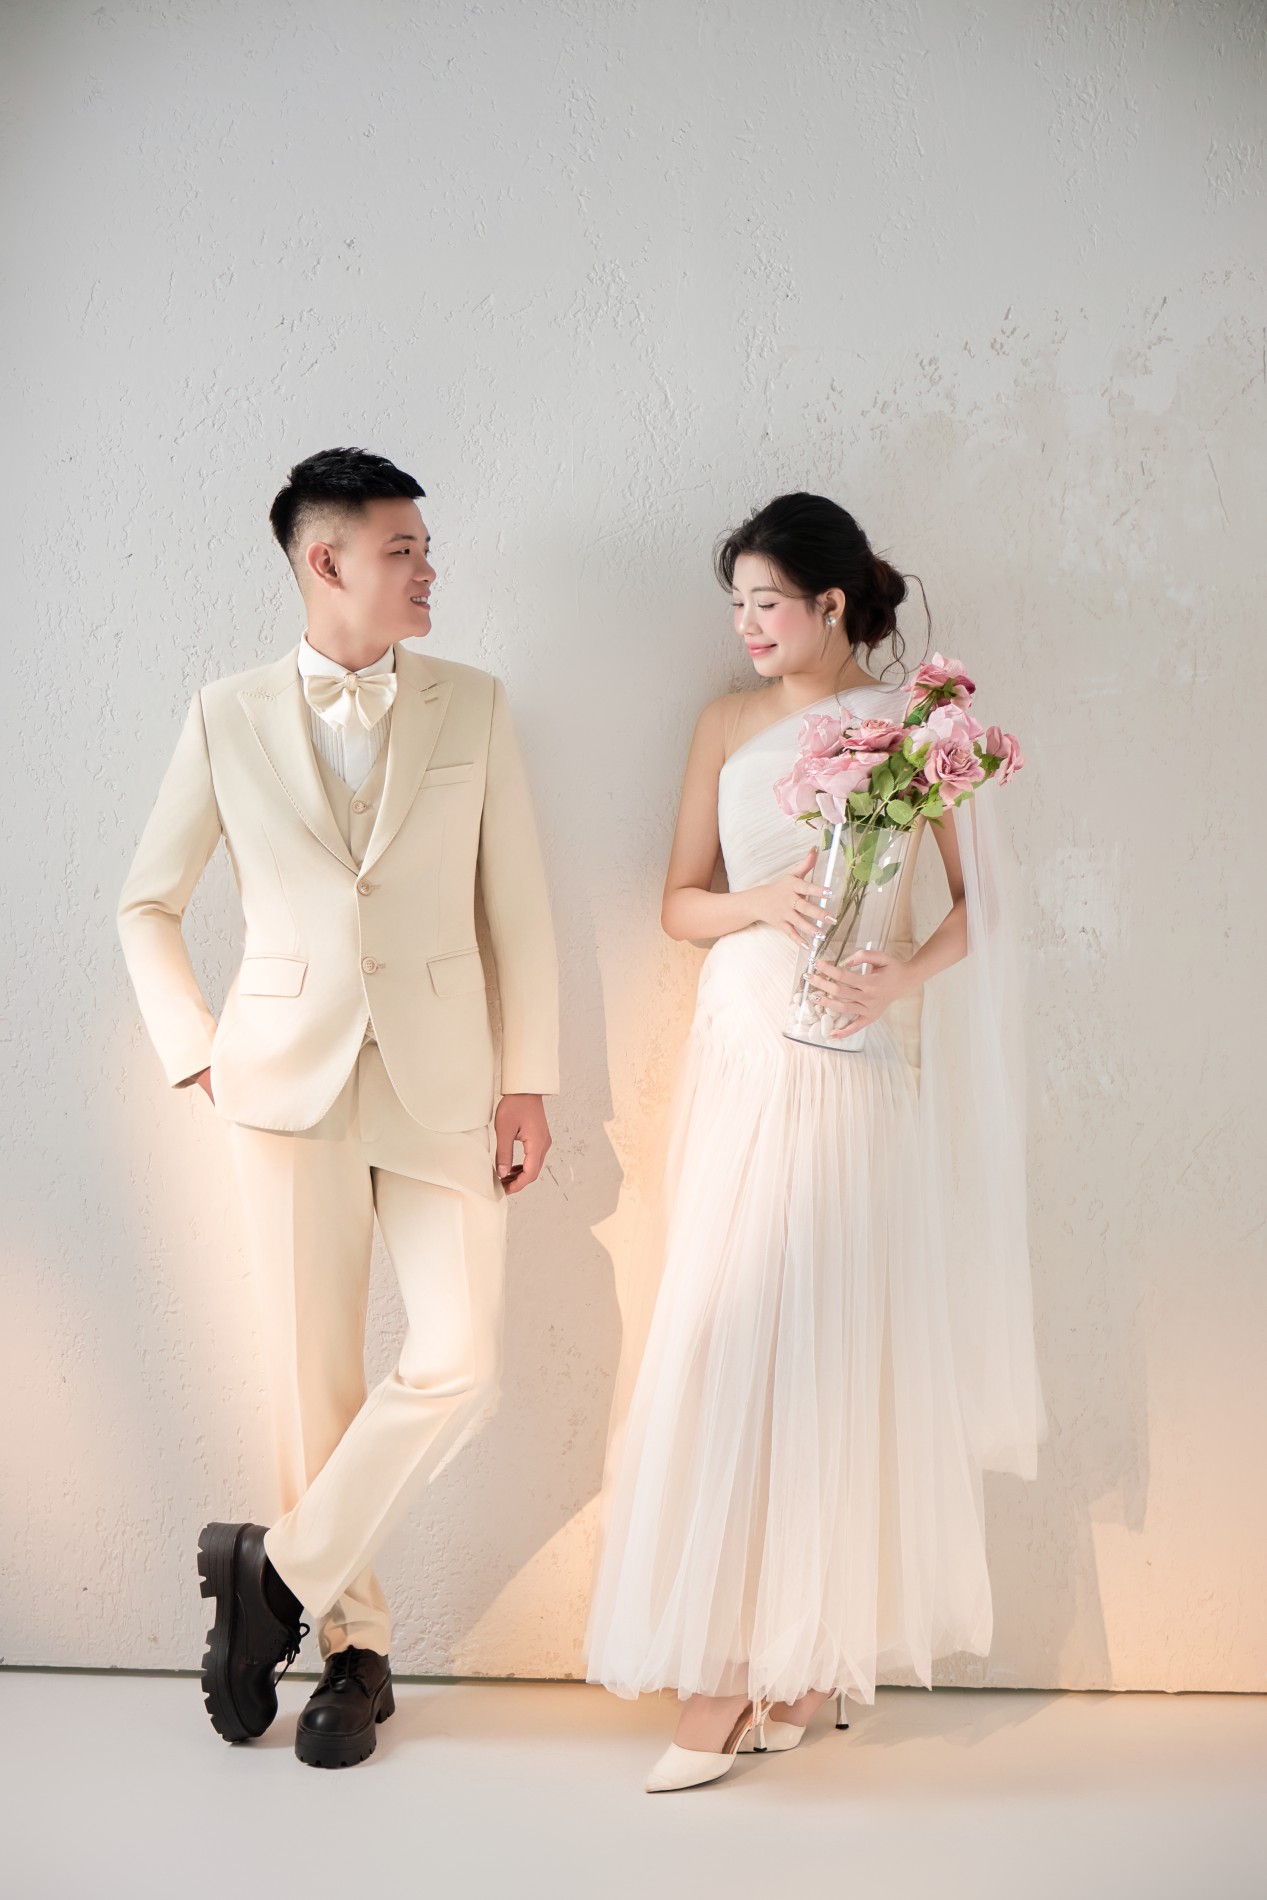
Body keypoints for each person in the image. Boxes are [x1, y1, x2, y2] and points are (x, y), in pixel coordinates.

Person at [581, 491, 1047, 1792]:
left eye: (767, 604)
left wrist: (900, 977)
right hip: (743, 1048)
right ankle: (748, 1666)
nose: (746, 628)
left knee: (826, 1343)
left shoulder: (917, 727)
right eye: (736, 606)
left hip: (849, 1056)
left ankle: (774, 1669)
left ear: (832, 604)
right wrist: (763, 899)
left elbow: (984, 906)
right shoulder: (724, 723)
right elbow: (677, 902)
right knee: (728, 1329)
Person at [116, 446, 559, 1768]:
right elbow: (146, 902)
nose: (429, 569)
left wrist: (528, 1078)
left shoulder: (475, 705)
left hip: (443, 1083)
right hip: (282, 1083)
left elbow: (519, 908)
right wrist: (198, 1050)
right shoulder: (225, 714)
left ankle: (273, 1577)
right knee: (315, 1382)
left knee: (460, 1356)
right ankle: (354, 1656)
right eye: (403, 548)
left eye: (425, 547)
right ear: (327, 560)